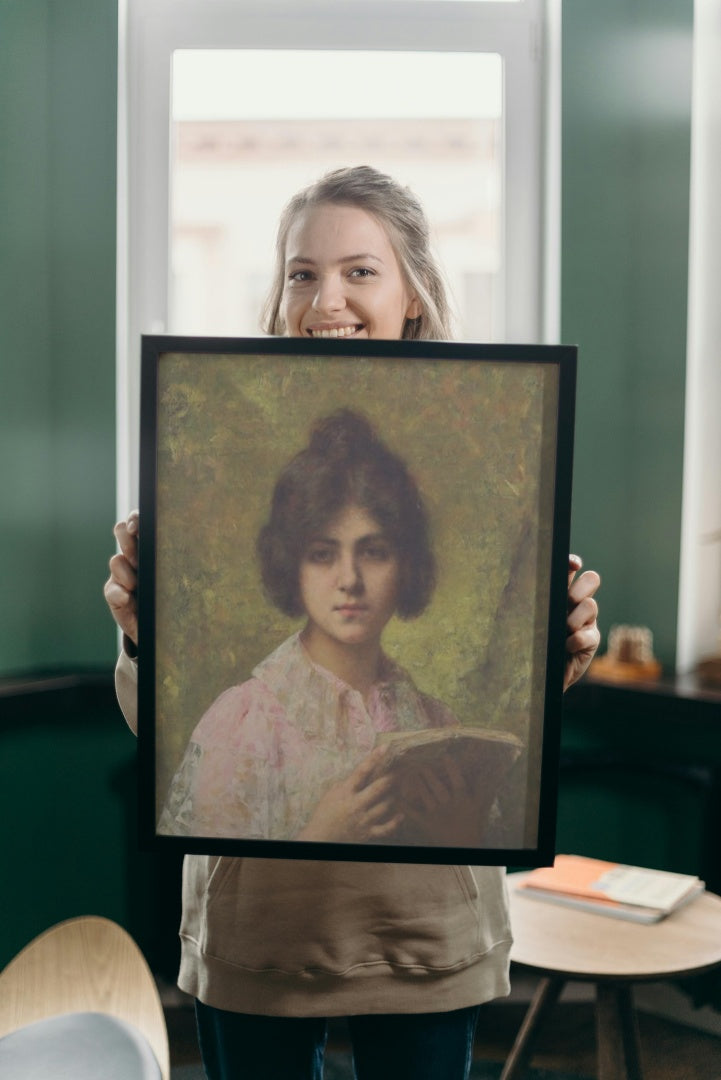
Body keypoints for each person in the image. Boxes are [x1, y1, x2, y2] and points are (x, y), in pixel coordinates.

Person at [105, 165, 601, 1080]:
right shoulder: (243, 708)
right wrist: (142, 634)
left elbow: (504, 769)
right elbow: (166, 740)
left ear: (413, 292)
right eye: (301, 272)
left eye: (359, 271)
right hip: (262, 941)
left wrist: (555, 654)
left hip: (425, 939)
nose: (325, 297)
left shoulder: (431, 702)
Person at [157, 407, 520, 848]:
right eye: (323, 554)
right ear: (292, 564)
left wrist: (459, 837)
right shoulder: (243, 723)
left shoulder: (435, 722)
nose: (349, 579)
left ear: (406, 565)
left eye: (374, 552)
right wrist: (320, 836)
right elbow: (220, 892)